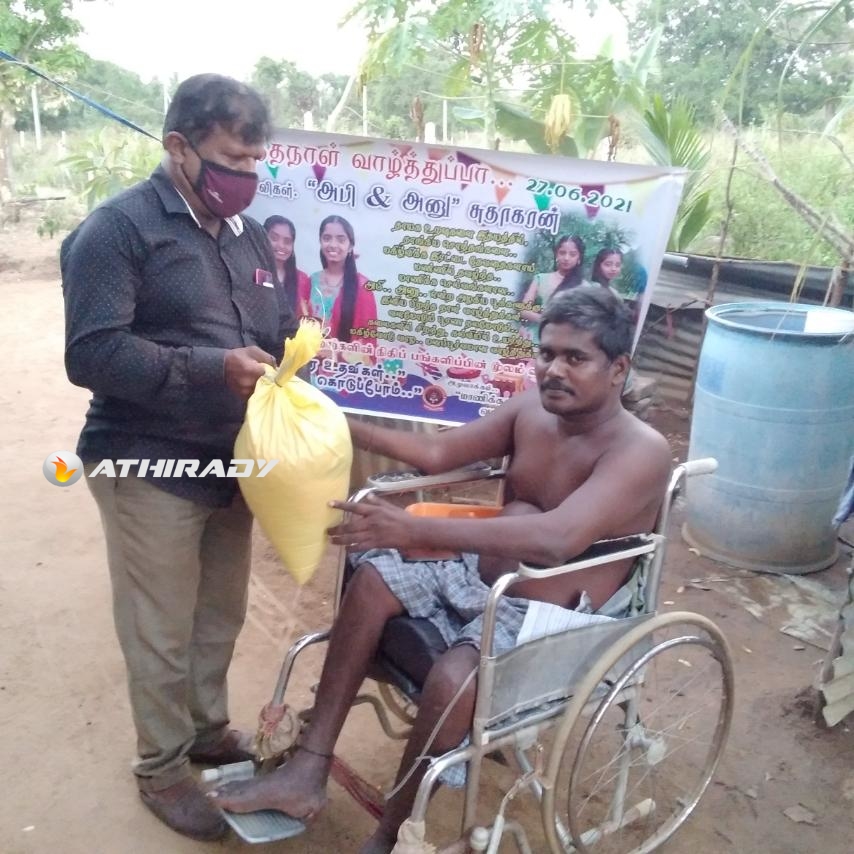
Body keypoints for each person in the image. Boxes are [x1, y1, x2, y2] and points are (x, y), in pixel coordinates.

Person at [211, 286, 672, 854]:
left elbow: (557, 540)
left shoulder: (640, 450)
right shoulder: (531, 409)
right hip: (483, 578)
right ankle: (307, 769)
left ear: (618, 369)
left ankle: (392, 833)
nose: (554, 369)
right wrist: (316, 411)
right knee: (373, 579)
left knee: (455, 676)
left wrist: (419, 531)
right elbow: (435, 454)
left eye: (575, 358)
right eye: (547, 353)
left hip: (554, 615)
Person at [61, 74, 297, 842]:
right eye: (233, 159)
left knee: (218, 613)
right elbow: (92, 353)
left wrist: (301, 346)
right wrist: (210, 368)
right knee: (159, 625)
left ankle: (205, 730)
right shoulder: (118, 230)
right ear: (178, 147)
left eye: (257, 161)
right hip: (144, 458)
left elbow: (274, 320)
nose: (247, 176)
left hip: (229, 461)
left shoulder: (247, 233)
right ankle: (162, 769)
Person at [300, 214, 377, 359]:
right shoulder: (311, 281)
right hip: (308, 363)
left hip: (342, 370)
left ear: (350, 246)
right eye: (327, 238)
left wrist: (337, 352)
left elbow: (369, 343)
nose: (333, 245)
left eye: (341, 239)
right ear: (320, 241)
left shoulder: (363, 287)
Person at [519, 234, 588, 344]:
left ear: (579, 257)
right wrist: (546, 320)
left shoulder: (584, 287)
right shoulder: (540, 278)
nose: (566, 258)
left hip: (567, 342)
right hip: (537, 339)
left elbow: (585, 320)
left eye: (572, 254)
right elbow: (524, 310)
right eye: (562, 253)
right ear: (556, 254)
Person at [264, 214, 311, 315]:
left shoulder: (302, 280)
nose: (281, 245)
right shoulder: (252, 271)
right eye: (274, 238)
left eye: (287, 241)